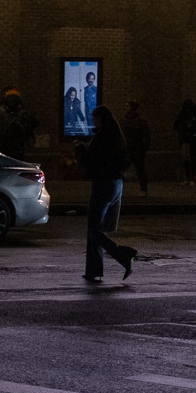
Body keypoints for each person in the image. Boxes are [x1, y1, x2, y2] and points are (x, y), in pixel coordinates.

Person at [76, 104, 138, 283]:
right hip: (116, 184)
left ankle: (123, 254)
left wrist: (80, 151)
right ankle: (94, 270)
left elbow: (91, 162)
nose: (93, 121)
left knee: (93, 229)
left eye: (95, 118)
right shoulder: (117, 137)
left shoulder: (102, 138)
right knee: (95, 229)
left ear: (102, 119)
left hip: (103, 185)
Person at [174, 98, 196, 185]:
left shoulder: (194, 115)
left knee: (191, 158)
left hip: (192, 139)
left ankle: (191, 177)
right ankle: (188, 177)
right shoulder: (185, 115)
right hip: (186, 139)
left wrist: (194, 128)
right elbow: (176, 126)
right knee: (187, 158)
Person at [122, 100, 151, 195]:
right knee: (135, 169)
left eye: (127, 106)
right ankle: (143, 189)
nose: (125, 108)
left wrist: (144, 147)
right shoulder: (127, 120)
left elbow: (145, 135)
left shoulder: (138, 120)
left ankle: (143, 188)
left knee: (138, 169)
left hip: (136, 148)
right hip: (131, 148)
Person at [0, 89, 35, 160]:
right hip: (7, 145)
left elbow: (27, 128)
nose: (12, 101)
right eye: (10, 98)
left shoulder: (22, 113)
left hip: (17, 145)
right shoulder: (3, 112)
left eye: (13, 99)